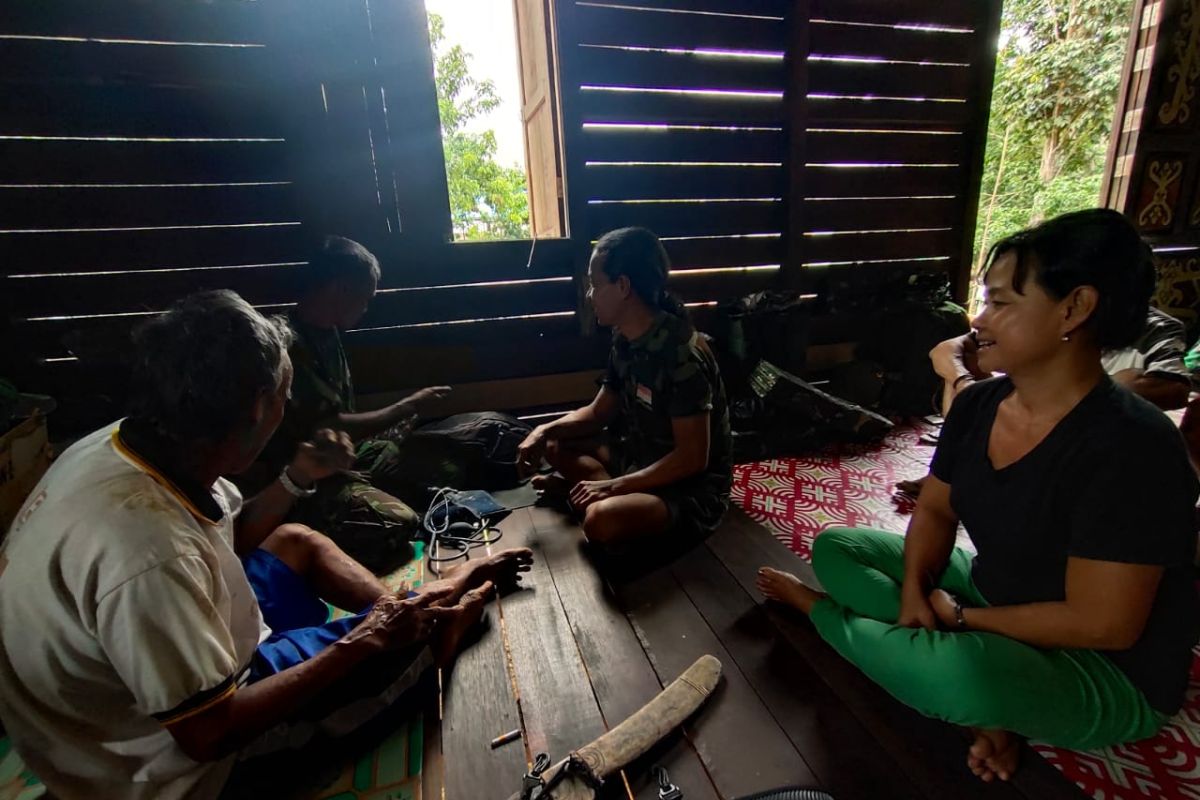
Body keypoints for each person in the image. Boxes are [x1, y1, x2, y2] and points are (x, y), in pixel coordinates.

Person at [0, 291, 532, 800]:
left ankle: (411, 609)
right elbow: (209, 733)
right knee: (399, 649)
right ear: (258, 407)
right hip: (162, 768)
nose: (286, 404)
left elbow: (235, 532)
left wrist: (299, 476)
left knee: (294, 540)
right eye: (284, 394)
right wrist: (361, 643)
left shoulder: (142, 440)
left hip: (174, 661)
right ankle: (435, 633)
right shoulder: (146, 551)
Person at [757, 209, 1200, 783]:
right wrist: (917, 590)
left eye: (1001, 302)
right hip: (990, 595)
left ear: (1075, 308)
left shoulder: (1134, 444)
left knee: (961, 677)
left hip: (1105, 669)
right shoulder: (979, 405)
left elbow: (1104, 625)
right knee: (839, 548)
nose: (979, 319)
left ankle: (824, 615)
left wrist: (963, 621)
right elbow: (937, 508)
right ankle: (956, 674)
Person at [241, 235, 452, 573]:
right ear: (340, 289)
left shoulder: (329, 334)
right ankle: (322, 522)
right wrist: (406, 406)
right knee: (397, 523)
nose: (366, 307)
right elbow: (330, 425)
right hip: (307, 476)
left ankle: (362, 495)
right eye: (365, 298)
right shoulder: (289, 346)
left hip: (343, 458)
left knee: (420, 460)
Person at [516, 227, 733, 546]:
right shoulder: (625, 338)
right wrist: (543, 430)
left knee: (601, 522)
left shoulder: (681, 354)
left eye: (594, 285)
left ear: (623, 286)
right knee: (555, 445)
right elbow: (598, 412)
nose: (589, 295)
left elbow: (692, 458)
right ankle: (597, 495)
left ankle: (599, 498)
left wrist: (612, 487)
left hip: (688, 488)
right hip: (638, 459)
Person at [896, 304, 1192, 497]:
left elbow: (1174, 388)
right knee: (967, 367)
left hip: (1091, 426)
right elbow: (946, 351)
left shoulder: (1155, 327)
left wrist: (1077, 394)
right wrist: (964, 382)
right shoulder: (1047, 313)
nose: (984, 316)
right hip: (1041, 402)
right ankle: (948, 473)